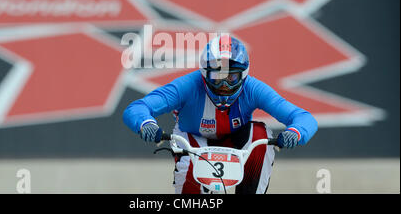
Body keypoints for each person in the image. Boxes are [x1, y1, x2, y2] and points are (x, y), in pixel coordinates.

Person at [123, 34, 318, 194]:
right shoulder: (188, 85)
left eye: (231, 76)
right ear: (204, 73)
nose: (224, 85)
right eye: (217, 75)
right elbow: (137, 108)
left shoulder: (253, 88)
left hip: (234, 141)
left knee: (261, 135)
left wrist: (296, 131)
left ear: (244, 75)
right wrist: (145, 123)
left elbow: (303, 118)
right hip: (192, 139)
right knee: (189, 173)